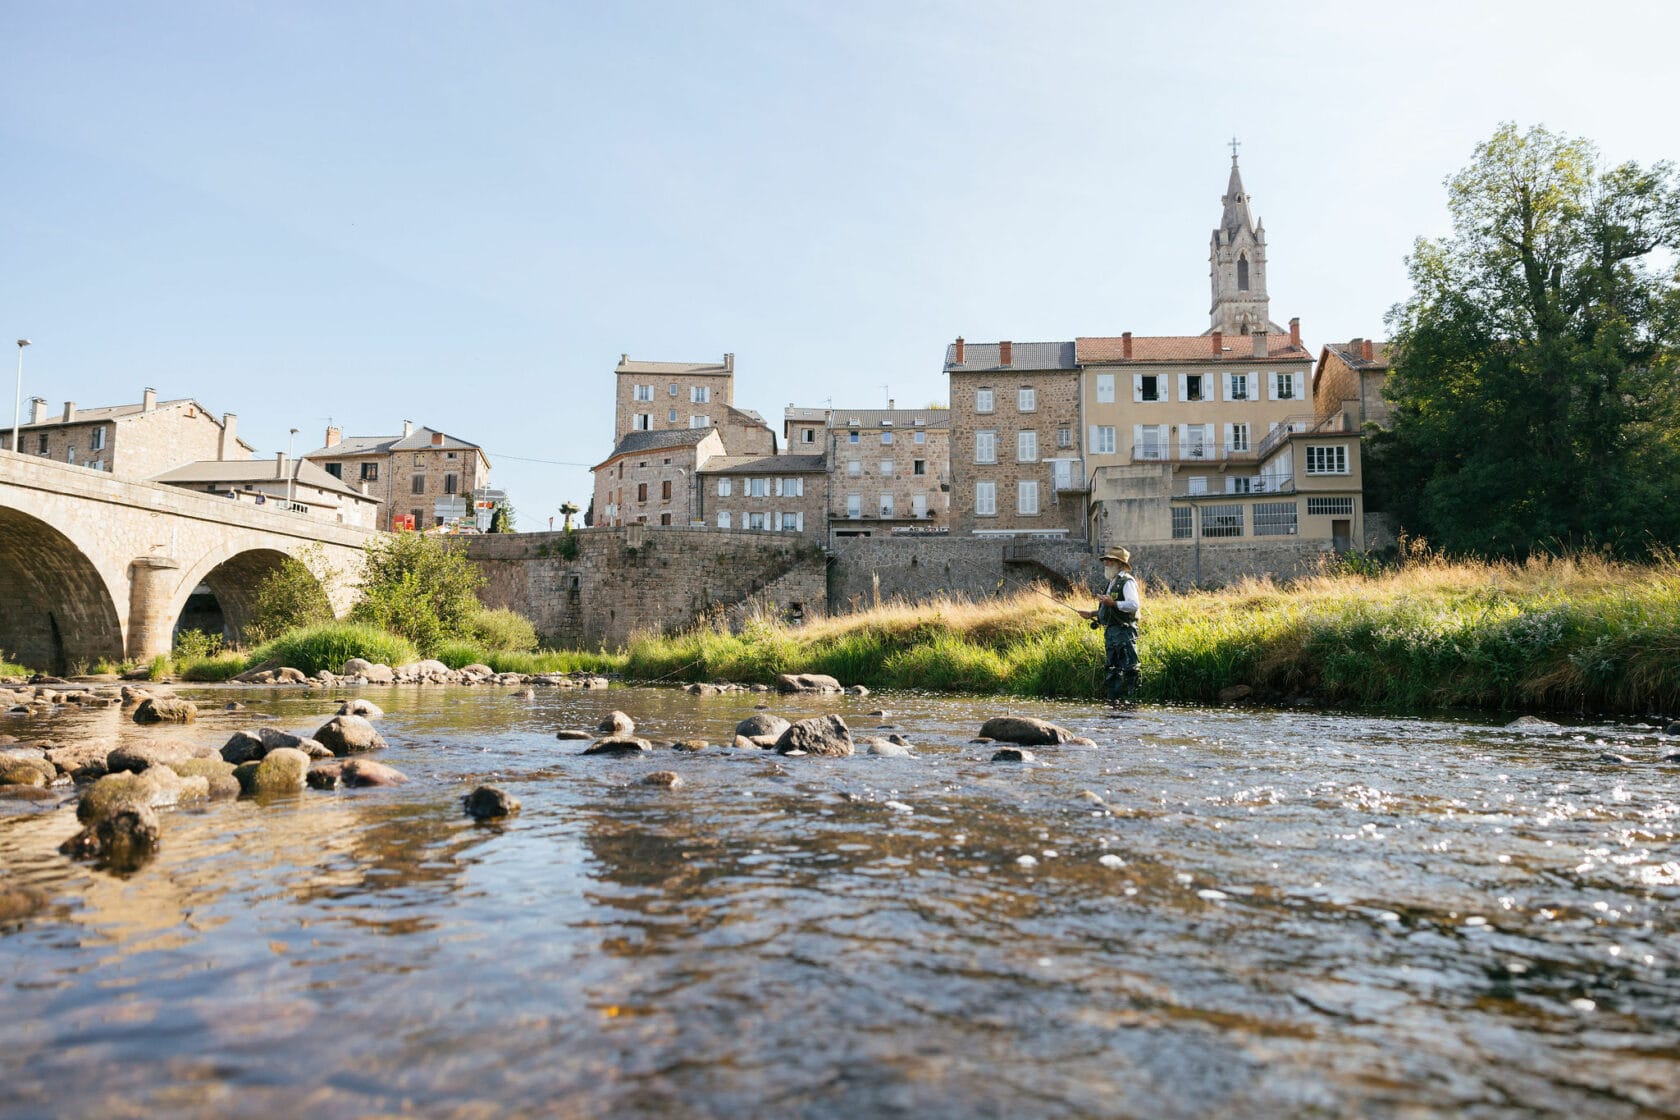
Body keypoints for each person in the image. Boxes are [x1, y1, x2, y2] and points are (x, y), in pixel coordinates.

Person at [1078, 548, 1141, 704]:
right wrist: (1092, 614)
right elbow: (1108, 610)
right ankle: (1114, 702)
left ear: (1120, 564)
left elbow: (1133, 605)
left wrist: (1112, 603)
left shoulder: (1127, 581)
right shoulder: (1112, 583)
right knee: (1112, 669)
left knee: (1130, 668)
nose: (1105, 563)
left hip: (1124, 631)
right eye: (1105, 560)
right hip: (1111, 633)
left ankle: (1133, 702)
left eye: (1109, 560)